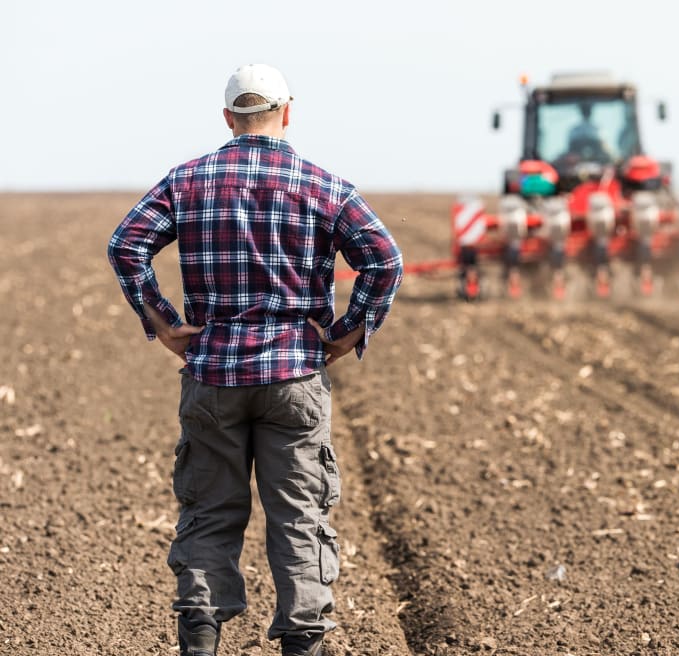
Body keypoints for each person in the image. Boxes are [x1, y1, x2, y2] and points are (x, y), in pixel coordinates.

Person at [108, 64, 403, 656]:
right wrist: (346, 334)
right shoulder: (323, 184)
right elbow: (385, 260)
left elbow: (126, 244)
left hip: (213, 377)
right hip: (295, 375)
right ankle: (303, 643)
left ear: (228, 119)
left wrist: (163, 323)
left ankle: (199, 639)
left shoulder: (188, 180)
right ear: (287, 113)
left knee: (210, 511)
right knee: (299, 515)